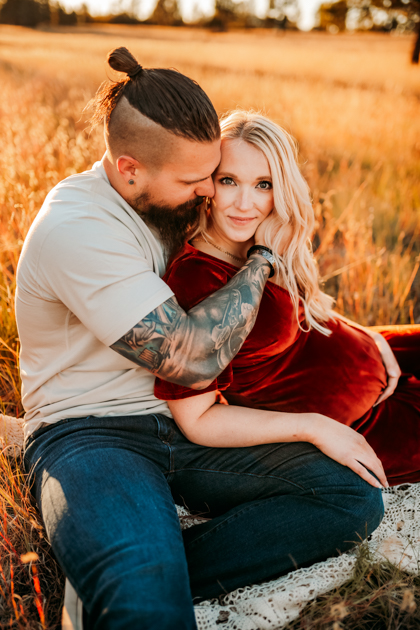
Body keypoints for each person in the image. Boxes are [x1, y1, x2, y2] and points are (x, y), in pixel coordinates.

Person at [15, 48, 384, 630]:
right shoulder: (78, 228)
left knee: (350, 496)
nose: (209, 192)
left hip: (187, 427)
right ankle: (130, 580)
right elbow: (188, 358)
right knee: (146, 605)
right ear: (129, 167)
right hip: (93, 433)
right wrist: (261, 257)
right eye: (198, 180)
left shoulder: (163, 200)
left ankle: (125, 576)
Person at [154, 109, 420, 488]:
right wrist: (312, 428)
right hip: (363, 421)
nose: (245, 204)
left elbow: (304, 316)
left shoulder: (269, 236)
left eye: (263, 184)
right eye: (229, 180)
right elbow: (197, 419)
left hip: (376, 352)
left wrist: (371, 338)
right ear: (208, 183)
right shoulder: (196, 279)